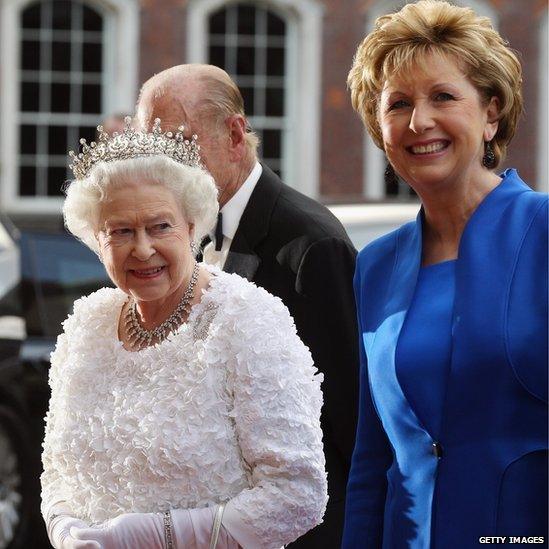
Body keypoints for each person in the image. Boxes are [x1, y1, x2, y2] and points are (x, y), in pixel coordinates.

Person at [40, 118, 328, 549]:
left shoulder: (247, 319)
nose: (142, 248)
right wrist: (63, 529)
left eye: (160, 226)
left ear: (192, 226)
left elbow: (297, 496)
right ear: (96, 241)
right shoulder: (86, 324)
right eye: (120, 231)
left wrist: (151, 536)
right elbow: (56, 471)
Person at [342, 1, 548, 547]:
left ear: (491, 113)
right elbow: (374, 455)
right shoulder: (377, 263)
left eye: (444, 97)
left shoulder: (545, 231)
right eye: (398, 104)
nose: (419, 122)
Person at [136, 64, 359, 548]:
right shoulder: (186, 228)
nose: (165, 168)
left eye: (179, 146)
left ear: (235, 135)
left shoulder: (310, 243)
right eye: (154, 151)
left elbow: (348, 418)